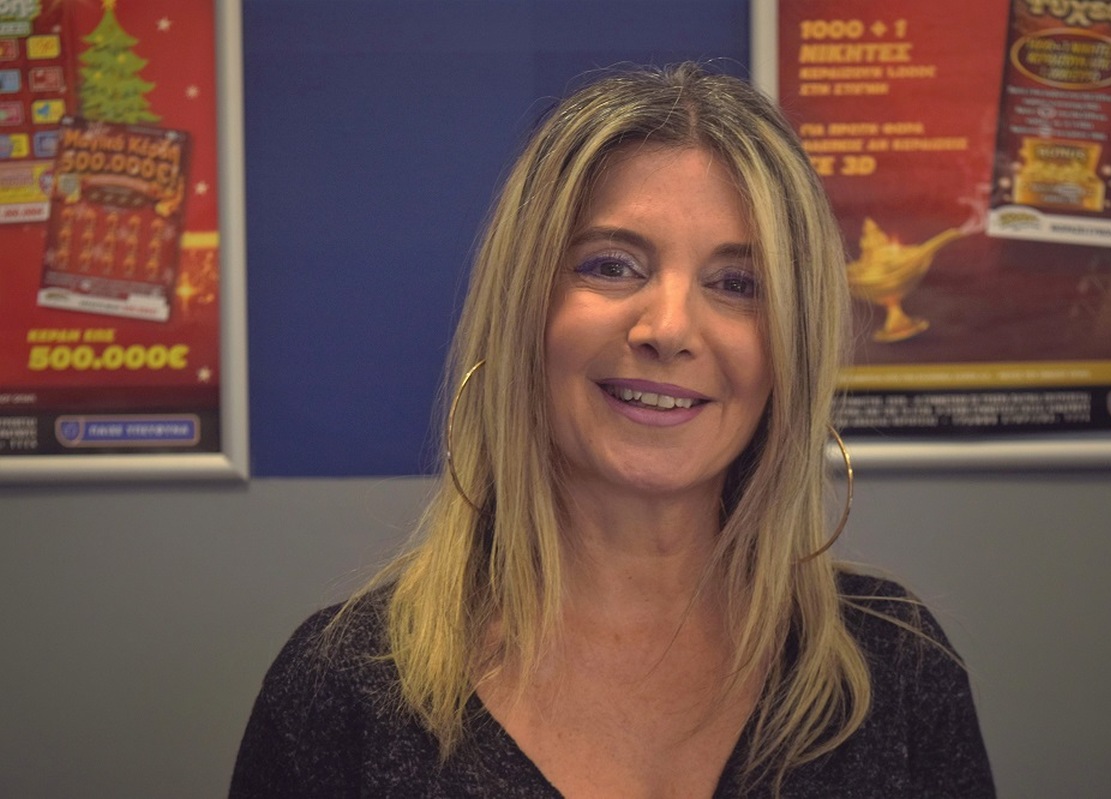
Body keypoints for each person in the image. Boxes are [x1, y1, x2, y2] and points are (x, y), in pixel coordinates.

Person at [230, 62, 994, 797]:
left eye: (738, 283)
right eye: (612, 265)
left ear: (791, 348)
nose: (669, 329)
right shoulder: (338, 694)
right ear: (525, 308)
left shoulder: (898, 673)